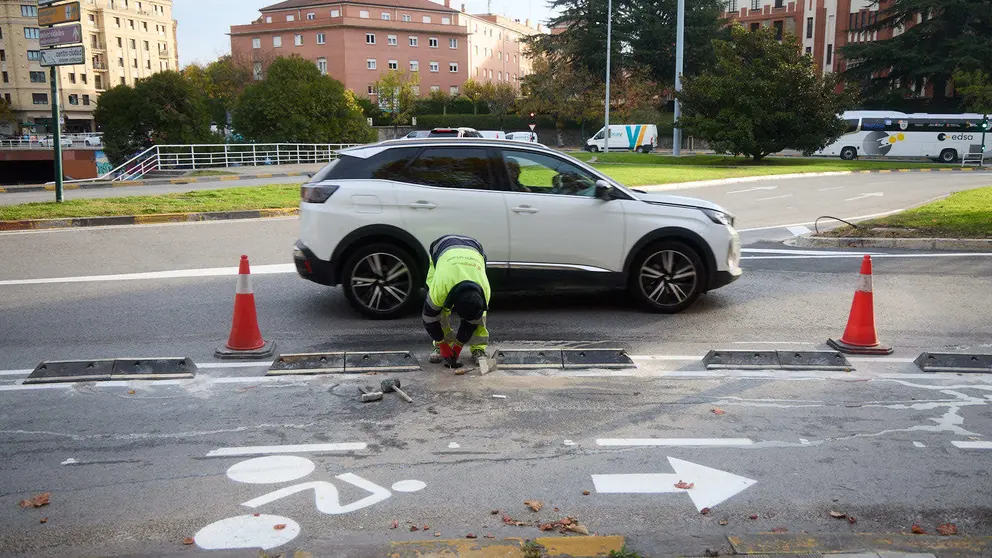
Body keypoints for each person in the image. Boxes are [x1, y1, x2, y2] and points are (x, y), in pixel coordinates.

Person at [422, 234, 491, 368]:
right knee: (438, 309)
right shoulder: (441, 287)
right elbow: (429, 318)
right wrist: (442, 344)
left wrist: (458, 346)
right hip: (442, 247)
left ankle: (478, 347)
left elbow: (473, 321)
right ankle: (441, 345)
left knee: (480, 314)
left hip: (474, 250)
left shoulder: (485, 291)